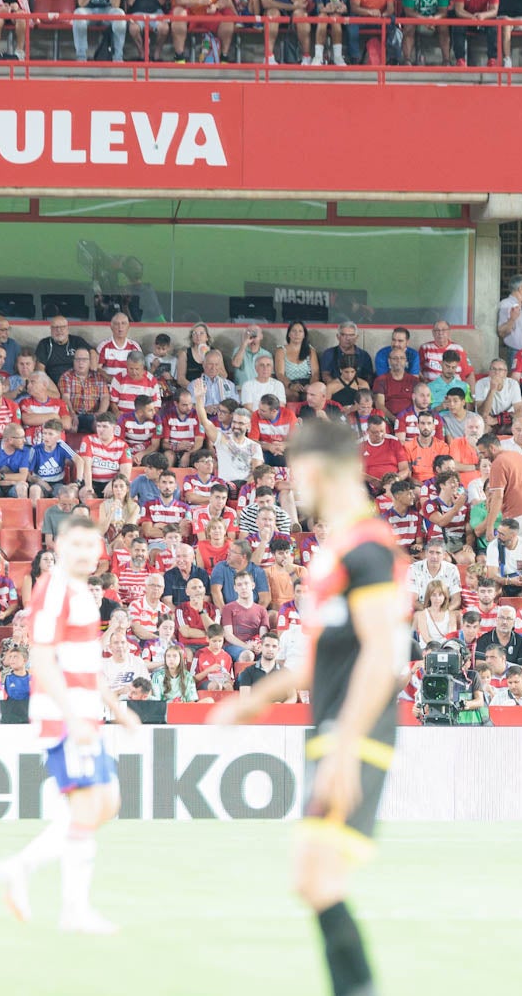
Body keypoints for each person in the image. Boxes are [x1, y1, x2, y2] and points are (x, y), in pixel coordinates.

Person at [213, 420, 408, 996]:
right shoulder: (338, 550)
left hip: (356, 731)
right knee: (312, 878)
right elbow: (323, 660)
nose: (293, 486)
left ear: (318, 470)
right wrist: (253, 700)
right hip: (331, 728)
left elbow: (381, 657)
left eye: (296, 473)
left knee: (319, 877)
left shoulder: (370, 548)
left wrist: (346, 746)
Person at [0, 516, 139, 933]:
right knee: (88, 807)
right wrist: (73, 719)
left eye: (92, 546)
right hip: (63, 716)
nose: (85, 553)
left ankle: (19, 867)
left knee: (106, 803)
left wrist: (115, 705)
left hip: (85, 711)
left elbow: (86, 665)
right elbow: (41, 660)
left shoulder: (83, 593)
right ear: (59, 546)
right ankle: (74, 910)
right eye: (76, 545)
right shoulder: (53, 588)